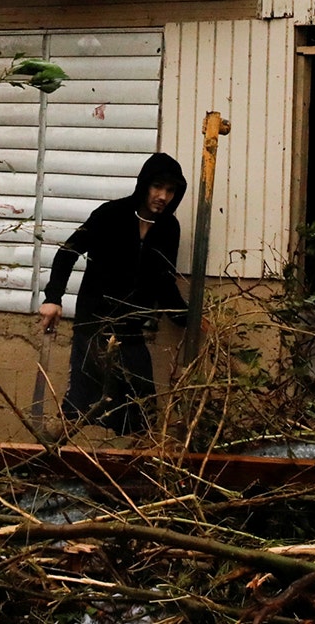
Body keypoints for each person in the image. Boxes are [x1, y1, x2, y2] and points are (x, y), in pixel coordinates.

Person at [37, 152, 189, 434]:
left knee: (142, 410)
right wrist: (53, 298)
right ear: (144, 185)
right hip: (94, 326)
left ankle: (138, 473)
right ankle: (44, 458)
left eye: (170, 190)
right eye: (157, 187)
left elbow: (163, 281)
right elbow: (67, 253)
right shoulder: (110, 215)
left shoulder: (168, 228)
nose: (163, 196)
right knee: (79, 407)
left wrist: (186, 317)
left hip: (131, 332)